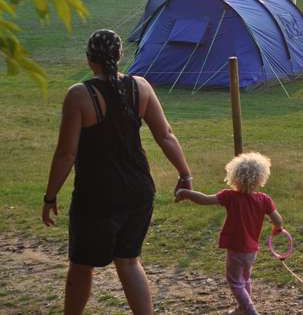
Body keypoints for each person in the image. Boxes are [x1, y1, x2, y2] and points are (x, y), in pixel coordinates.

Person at [42, 29, 193, 315]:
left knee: (81, 264)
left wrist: (50, 197)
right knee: (129, 261)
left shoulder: (79, 95)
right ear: (119, 56)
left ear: (89, 60)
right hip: (138, 190)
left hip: (95, 196)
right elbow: (166, 135)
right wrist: (185, 174)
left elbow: (66, 154)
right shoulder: (141, 87)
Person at [176, 152, 283, 315]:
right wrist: (277, 228)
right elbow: (278, 219)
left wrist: (186, 193)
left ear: (234, 176)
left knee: (235, 281)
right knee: (245, 278)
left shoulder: (230, 196)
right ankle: (243, 308)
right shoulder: (264, 199)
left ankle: (250, 311)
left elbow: (205, 199)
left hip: (236, 249)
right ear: (261, 177)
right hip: (252, 250)